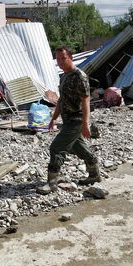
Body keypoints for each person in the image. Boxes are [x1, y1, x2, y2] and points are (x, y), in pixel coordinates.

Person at [36, 46, 101, 195]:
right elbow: (61, 100)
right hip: (67, 120)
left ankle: (52, 183)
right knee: (79, 147)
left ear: (70, 57)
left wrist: (85, 124)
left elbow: (86, 101)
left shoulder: (80, 76)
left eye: (63, 58)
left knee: (56, 148)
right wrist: (53, 118)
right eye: (58, 59)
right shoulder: (64, 76)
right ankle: (94, 174)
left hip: (76, 120)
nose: (60, 62)